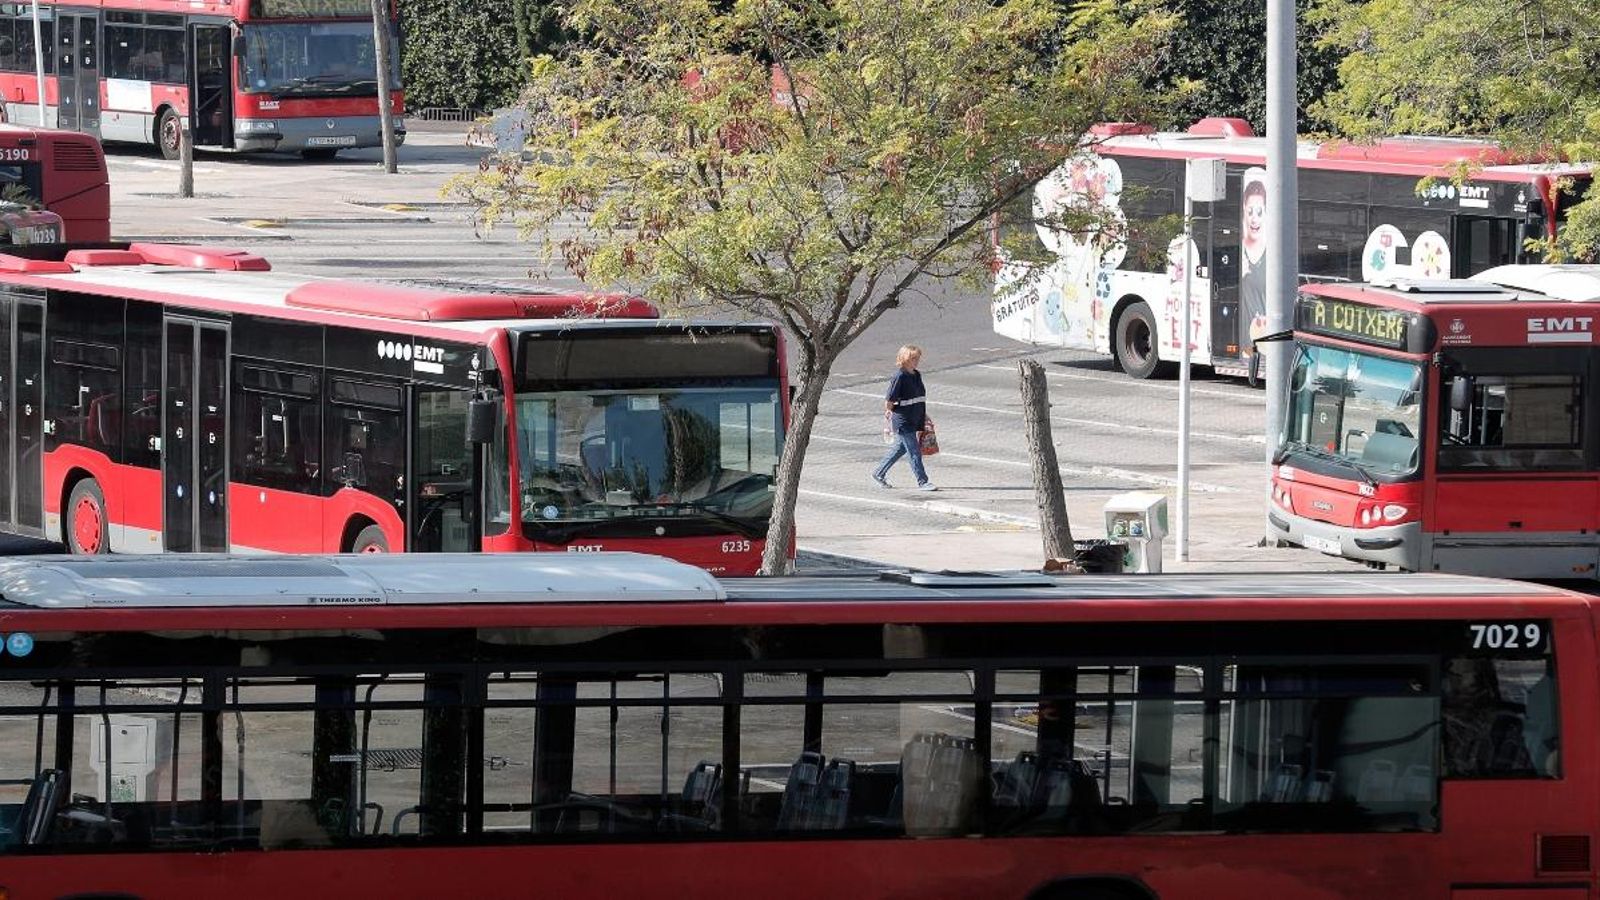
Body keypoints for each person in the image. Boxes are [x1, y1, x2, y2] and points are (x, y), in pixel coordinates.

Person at [872, 345, 936, 491]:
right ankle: (923, 481)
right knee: (914, 451)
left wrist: (923, 415)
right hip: (903, 420)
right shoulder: (899, 376)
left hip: (915, 417)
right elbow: (890, 399)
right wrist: (888, 412)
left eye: (918, 358)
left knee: (900, 449)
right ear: (905, 359)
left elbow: (918, 397)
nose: (916, 361)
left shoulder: (916, 375)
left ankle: (878, 473)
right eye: (913, 358)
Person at [1238, 172, 1269, 359]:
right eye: (1250, 212)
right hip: (1241, 342)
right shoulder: (1238, 252)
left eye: (1259, 212)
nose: (1254, 219)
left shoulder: (1274, 257)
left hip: (1264, 343)